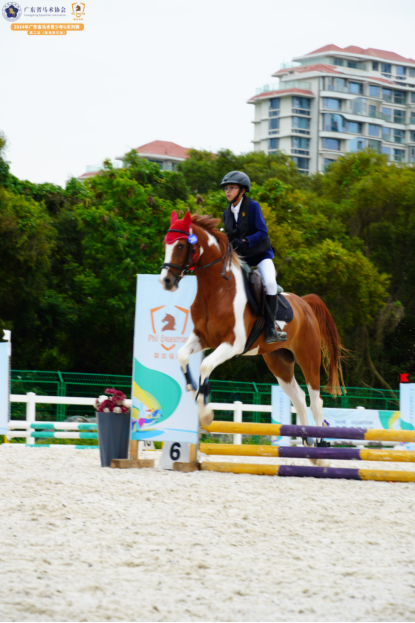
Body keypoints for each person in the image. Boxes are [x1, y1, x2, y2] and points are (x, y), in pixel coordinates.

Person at [220, 171, 287, 344]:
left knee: (270, 283)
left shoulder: (252, 206)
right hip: (242, 260)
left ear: (242, 190)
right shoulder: (226, 214)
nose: (227, 191)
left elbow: (262, 232)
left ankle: (272, 327)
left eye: (231, 188)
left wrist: (246, 241)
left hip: (260, 256)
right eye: (226, 188)